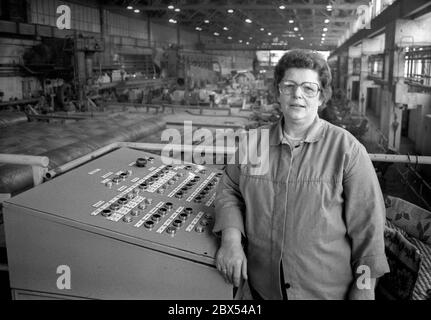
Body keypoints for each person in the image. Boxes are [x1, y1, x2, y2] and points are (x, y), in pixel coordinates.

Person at [213, 49, 389, 300]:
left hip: (326, 293)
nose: (297, 94)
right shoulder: (254, 144)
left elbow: (368, 227)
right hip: (262, 289)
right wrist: (230, 239)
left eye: (309, 88)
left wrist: (364, 286)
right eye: (289, 86)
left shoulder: (346, 150)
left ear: (321, 96)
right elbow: (230, 189)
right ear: (278, 92)